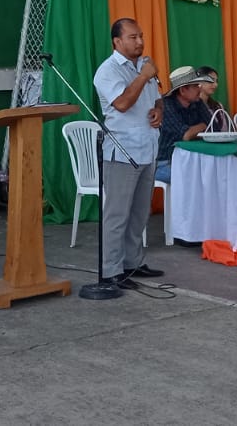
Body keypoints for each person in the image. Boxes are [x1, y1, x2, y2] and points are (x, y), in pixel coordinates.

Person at [93, 17, 165, 285]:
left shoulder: (144, 65)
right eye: (133, 37)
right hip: (122, 152)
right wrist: (144, 76)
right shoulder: (107, 71)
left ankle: (133, 263)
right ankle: (111, 271)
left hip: (148, 147)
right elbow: (122, 103)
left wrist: (159, 110)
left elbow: (157, 97)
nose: (140, 42)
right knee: (117, 214)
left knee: (139, 213)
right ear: (117, 41)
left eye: (141, 36)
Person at [156, 66, 216, 185]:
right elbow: (185, 135)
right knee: (198, 178)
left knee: (213, 173)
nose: (199, 88)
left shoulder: (197, 102)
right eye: (195, 86)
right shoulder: (166, 105)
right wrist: (203, 126)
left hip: (190, 160)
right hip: (164, 163)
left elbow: (214, 127)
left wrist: (199, 129)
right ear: (183, 90)